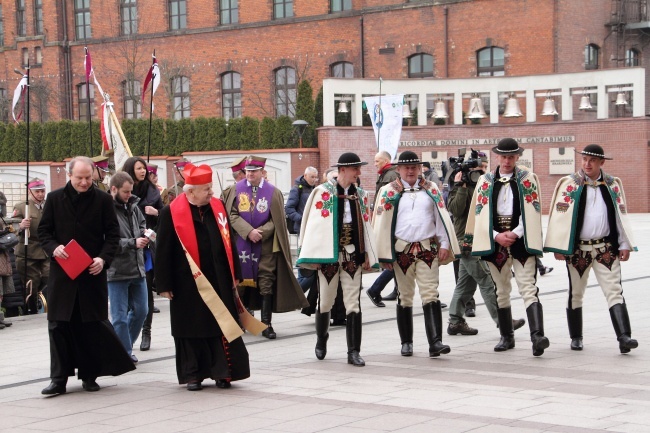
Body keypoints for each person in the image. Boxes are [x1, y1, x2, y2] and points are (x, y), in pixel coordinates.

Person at [38, 156, 134, 395]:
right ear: (69, 175)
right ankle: (58, 379)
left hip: (92, 273)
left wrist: (103, 259)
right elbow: (44, 232)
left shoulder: (102, 200)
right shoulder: (54, 199)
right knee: (58, 326)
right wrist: (54, 248)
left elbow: (112, 236)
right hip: (63, 275)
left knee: (90, 325)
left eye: (88, 178)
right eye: (79, 178)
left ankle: (90, 375)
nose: (84, 182)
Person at [155, 163, 250, 390]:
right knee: (191, 327)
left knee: (220, 325)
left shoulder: (217, 207)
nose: (211, 192)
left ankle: (222, 372)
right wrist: (163, 283)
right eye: (206, 189)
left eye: (210, 187)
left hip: (218, 277)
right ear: (190, 192)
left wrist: (235, 272)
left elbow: (230, 241)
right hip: (186, 282)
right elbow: (163, 249)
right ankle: (193, 374)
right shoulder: (171, 212)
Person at [544, 144, 638, 354]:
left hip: (606, 247)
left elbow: (620, 214)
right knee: (576, 292)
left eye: (592, 160)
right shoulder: (569, 184)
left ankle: (625, 337)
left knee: (614, 291)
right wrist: (558, 246)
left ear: (601, 163)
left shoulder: (613, 184)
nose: (587, 164)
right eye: (585, 159)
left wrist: (624, 244)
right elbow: (558, 217)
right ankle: (576, 337)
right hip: (578, 250)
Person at [464, 138, 549, 356]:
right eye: (504, 156)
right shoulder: (486, 181)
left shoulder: (528, 179)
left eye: (511, 156)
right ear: (497, 157)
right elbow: (480, 213)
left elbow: (532, 211)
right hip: (496, 243)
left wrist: (516, 232)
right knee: (501, 291)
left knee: (528, 287)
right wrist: (495, 236)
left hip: (520, 241)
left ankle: (537, 336)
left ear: (517, 157)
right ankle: (506, 336)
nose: (508, 160)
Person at [373, 151, 460, 357]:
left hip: (427, 249)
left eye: (414, 167)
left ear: (420, 169)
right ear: (399, 170)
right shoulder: (388, 191)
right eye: (407, 167)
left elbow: (441, 217)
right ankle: (406, 342)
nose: (411, 171)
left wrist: (445, 242)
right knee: (405, 296)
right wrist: (383, 254)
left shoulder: (431, 189)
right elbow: (381, 225)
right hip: (401, 250)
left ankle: (435, 342)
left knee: (431, 293)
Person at [297, 152, 378, 366]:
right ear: (343, 170)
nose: (359, 173)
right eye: (355, 169)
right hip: (328, 257)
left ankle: (353, 352)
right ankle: (321, 340)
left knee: (353, 304)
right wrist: (313, 255)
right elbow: (313, 226)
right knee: (325, 301)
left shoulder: (360, 194)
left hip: (352, 255)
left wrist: (368, 253)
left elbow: (366, 226)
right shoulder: (322, 193)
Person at [226, 155, 308, 339]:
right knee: (239, 284)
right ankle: (240, 321)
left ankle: (266, 324)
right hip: (242, 245)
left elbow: (276, 219)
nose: (250, 174)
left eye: (254, 171)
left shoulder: (273, 192)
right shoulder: (236, 190)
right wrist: (248, 232)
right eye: (247, 171)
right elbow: (231, 214)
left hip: (266, 246)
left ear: (262, 172)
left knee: (266, 283)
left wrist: (260, 232)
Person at [446, 158, 525, 336]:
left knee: (465, 284)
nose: (480, 172)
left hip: (482, 238)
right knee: (487, 280)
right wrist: (460, 186)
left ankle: (455, 321)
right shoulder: (458, 186)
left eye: (482, 168)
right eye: (477, 169)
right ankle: (503, 321)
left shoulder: (486, 184)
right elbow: (456, 210)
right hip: (466, 241)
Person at [122, 156, 163, 351]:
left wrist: (155, 213)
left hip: (148, 246)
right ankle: (128, 335)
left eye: (144, 168)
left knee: (146, 291)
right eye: (138, 168)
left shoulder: (153, 191)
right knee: (128, 297)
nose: (143, 171)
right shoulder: (122, 193)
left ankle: (147, 331)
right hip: (126, 249)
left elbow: (164, 217)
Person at [107, 172, 149, 363]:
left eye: (131, 191)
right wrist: (132, 242)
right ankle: (124, 352)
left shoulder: (133, 205)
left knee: (142, 311)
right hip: (116, 271)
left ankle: (122, 348)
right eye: (125, 191)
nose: (129, 195)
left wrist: (145, 233)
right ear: (113, 189)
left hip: (138, 268)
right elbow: (107, 242)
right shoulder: (106, 210)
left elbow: (141, 223)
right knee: (119, 317)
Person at [366, 151, 399, 307]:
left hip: (392, 223)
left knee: (399, 260)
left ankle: (393, 290)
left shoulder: (390, 176)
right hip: (390, 223)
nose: (375, 163)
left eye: (377, 160)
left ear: (386, 160)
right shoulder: (387, 175)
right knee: (398, 260)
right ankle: (375, 289)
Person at [13, 178, 49, 315]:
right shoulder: (22, 206)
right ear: (30, 192)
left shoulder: (48, 205)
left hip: (45, 247)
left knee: (49, 275)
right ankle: (32, 308)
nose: (40, 194)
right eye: (37, 191)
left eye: (42, 191)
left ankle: (43, 300)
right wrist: (21, 226)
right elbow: (12, 226)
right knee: (31, 282)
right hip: (28, 248)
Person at [285, 166, 319, 235]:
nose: (314, 180)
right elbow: (289, 208)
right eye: (312, 177)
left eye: (316, 177)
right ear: (305, 175)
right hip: (301, 228)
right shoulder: (297, 189)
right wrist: (301, 219)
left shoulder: (314, 189)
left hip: (313, 226)